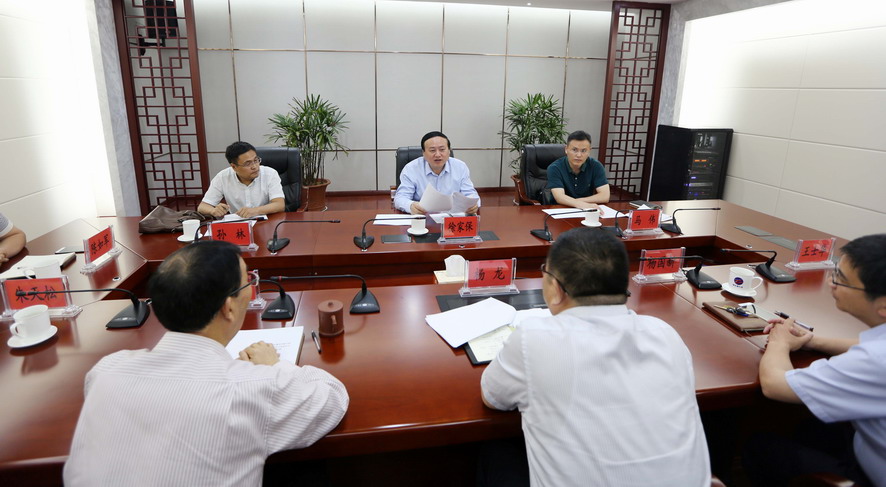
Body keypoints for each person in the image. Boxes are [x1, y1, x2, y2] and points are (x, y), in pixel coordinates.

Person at [63, 241, 348, 486]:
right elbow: (332, 397)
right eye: (247, 282)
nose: (251, 288)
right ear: (228, 307)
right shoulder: (251, 386)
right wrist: (274, 365)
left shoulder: (106, 371)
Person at [479, 228, 710, 486]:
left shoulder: (532, 338)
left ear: (556, 288)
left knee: (494, 451)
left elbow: (492, 397)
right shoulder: (665, 334)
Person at [746, 234, 886, 486]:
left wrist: (779, 342)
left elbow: (775, 385)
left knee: (762, 446)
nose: (831, 283)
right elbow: (872, 346)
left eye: (841, 280)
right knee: (811, 429)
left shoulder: (874, 362)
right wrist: (813, 341)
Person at [393, 131, 480, 215]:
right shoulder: (411, 169)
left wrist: (473, 204)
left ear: (449, 151)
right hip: (422, 217)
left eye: (442, 149)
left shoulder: (460, 167)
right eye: (432, 150)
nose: (438, 154)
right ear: (423, 153)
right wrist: (411, 206)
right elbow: (400, 198)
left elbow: (471, 194)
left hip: (452, 218)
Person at [198, 141, 285, 218]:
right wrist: (213, 211)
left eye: (256, 160)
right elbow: (202, 207)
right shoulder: (222, 177)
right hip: (238, 224)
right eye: (248, 164)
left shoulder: (270, 174)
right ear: (234, 167)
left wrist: (255, 211)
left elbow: (279, 204)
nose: (254, 166)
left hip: (267, 221)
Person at [546, 130, 610, 209]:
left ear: (589, 151)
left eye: (583, 151)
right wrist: (581, 204)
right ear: (566, 149)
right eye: (574, 150)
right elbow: (559, 197)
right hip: (560, 209)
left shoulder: (596, 166)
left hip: (586, 209)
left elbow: (605, 196)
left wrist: (577, 202)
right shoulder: (555, 168)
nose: (579, 155)